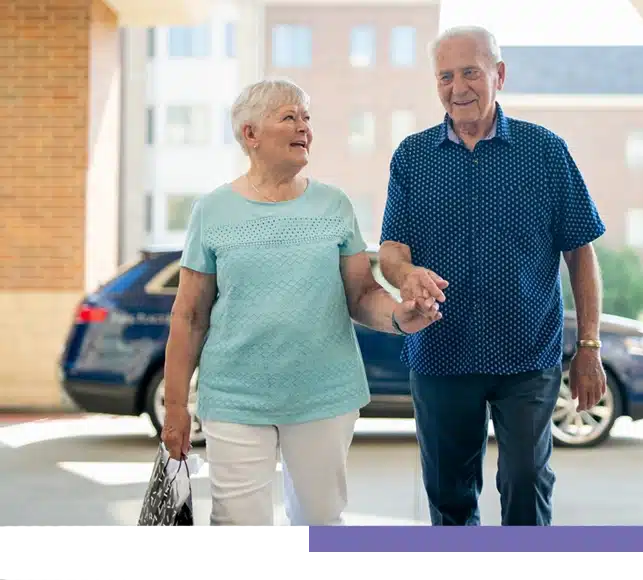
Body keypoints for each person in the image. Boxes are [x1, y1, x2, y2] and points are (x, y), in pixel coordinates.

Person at [160, 79, 440, 528]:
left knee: (320, 523)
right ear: (249, 134)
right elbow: (190, 315)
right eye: (289, 117)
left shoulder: (333, 204)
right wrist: (176, 407)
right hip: (235, 396)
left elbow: (362, 294)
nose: (304, 128)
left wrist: (400, 317)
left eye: (307, 118)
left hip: (323, 395)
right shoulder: (212, 210)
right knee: (238, 528)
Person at [378, 26, 608, 526]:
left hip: (526, 356)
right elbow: (391, 249)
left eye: (470, 73)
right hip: (440, 352)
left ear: (498, 75)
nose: (457, 87)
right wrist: (407, 272)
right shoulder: (412, 158)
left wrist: (588, 347)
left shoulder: (545, 151)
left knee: (526, 483)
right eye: (445, 76)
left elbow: (581, 253)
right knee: (449, 496)